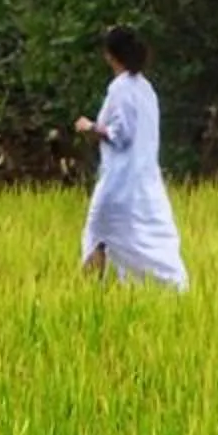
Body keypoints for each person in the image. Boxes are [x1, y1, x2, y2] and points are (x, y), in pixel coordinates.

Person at [74, 25, 187, 291]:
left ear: (110, 55)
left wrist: (89, 128)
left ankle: (90, 298)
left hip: (119, 184)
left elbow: (120, 135)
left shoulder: (120, 88)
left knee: (96, 235)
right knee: (146, 239)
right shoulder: (146, 89)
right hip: (145, 183)